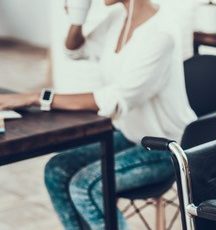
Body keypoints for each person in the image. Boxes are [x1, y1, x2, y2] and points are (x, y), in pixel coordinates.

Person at [0, 0, 196, 229]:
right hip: (130, 135)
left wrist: (36, 97)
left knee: (85, 186)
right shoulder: (117, 19)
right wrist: (77, 17)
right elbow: (74, 50)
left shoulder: (161, 35)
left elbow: (115, 100)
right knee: (56, 170)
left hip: (166, 147)